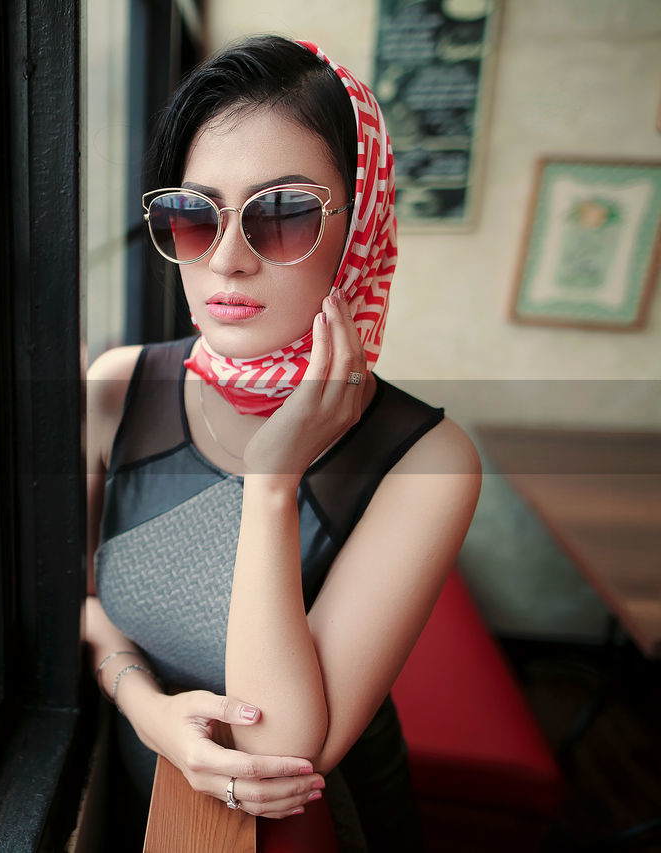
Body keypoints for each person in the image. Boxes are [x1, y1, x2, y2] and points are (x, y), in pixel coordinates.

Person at [83, 36, 481, 851]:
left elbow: (283, 754)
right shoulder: (119, 389)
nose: (227, 259)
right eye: (195, 214)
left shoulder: (428, 460)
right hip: (143, 800)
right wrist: (150, 711)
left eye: (284, 212)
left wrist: (273, 481)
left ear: (358, 226)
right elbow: (71, 598)